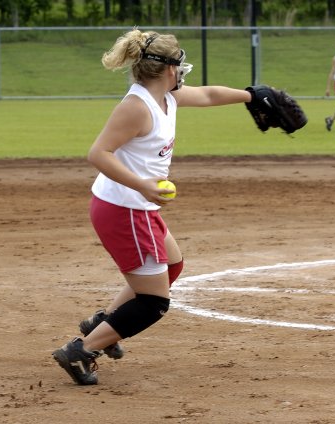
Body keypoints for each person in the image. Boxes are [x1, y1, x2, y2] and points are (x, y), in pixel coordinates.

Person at [52, 28, 253, 385]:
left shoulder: (167, 98)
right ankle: (82, 350)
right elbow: (98, 153)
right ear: (169, 69)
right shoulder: (136, 107)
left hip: (135, 209)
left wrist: (252, 95)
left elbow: (208, 94)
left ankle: (103, 324)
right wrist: (142, 184)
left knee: (173, 265)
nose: (182, 72)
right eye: (179, 65)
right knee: (153, 302)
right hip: (125, 210)